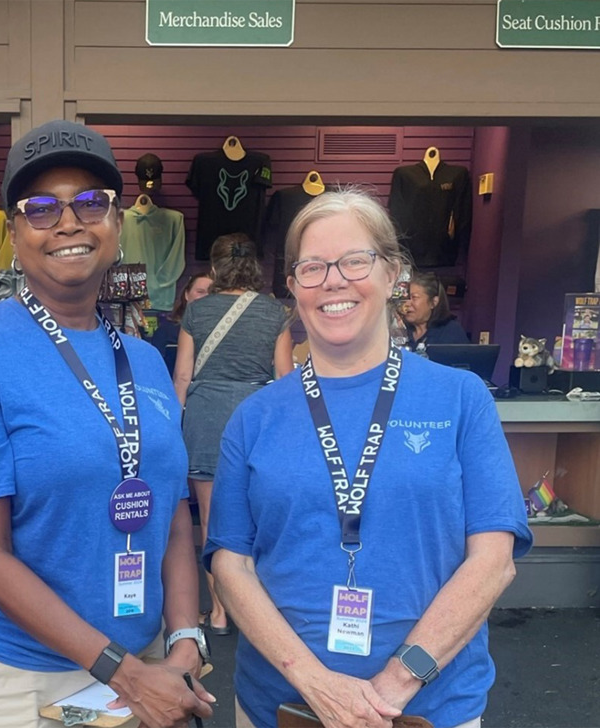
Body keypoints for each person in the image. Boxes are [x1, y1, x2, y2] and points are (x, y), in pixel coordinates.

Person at [0, 119, 215, 728]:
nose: (69, 222)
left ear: (115, 222)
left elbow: (171, 514)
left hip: (145, 660)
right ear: (13, 232)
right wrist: (126, 674)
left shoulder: (144, 361)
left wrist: (186, 640)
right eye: (41, 209)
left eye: (90, 203)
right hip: (18, 675)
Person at [205, 189, 532, 728]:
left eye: (355, 260)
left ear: (393, 274)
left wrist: (393, 685)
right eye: (311, 267)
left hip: (428, 709)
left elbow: (493, 562)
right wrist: (317, 685)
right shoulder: (255, 416)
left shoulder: (460, 398)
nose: (333, 280)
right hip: (280, 708)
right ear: (292, 288)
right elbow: (230, 564)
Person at [172, 233, 292, 637]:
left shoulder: (197, 313)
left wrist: (173, 429)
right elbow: (284, 380)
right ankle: (254, 613)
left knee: (211, 520)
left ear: (216, 268)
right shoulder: (275, 314)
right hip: (256, 421)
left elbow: (183, 378)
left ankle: (221, 613)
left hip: (205, 418)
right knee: (257, 518)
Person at [149, 272, 212, 376]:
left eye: (211, 293)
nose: (206, 297)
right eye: (200, 291)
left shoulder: (223, 330)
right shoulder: (166, 331)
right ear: (187, 294)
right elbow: (154, 370)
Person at [400, 272, 469, 352]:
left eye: (414, 297)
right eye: (406, 298)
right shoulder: (401, 330)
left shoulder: (450, 331)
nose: (407, 303)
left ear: (433, 302)